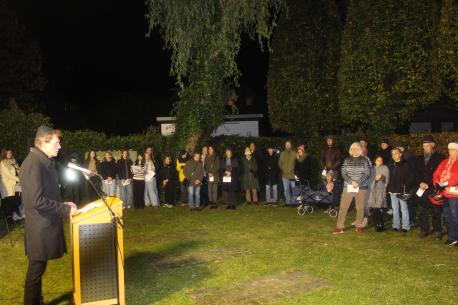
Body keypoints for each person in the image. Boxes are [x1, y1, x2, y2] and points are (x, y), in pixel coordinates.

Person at [19, 126, 78, 305]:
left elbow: (46, 194)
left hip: (43, 225)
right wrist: (65, 210)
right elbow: (36, 200)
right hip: (39, 228)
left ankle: (37, 301)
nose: (59, 146)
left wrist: (63, 204)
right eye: (56, 142)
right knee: (35, 271)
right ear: (44, 143)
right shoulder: (33, 164)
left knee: (38, 270)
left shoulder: (41, 161)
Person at [333, 142, 371, 234]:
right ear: (350, 150)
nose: (355, 150)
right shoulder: (346, 160)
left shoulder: (365, 160)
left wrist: (358, 182)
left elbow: (367, 173)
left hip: (361, 187)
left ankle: (358, 226)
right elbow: (343, 172)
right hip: (348, 186)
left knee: (360, 207)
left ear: (360, 150)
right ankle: (339, 227)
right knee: (343, 207)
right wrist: (351, 182)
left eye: (357, 148)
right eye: (353, 149)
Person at [414, 135, 445, 239]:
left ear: (433, 145)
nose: (426, 147)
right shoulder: (418, 158)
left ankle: (437, 231)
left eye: (428, 145)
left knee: (436, 211)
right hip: (422, 188)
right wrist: (420, 183)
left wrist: (430, 184)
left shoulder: (440, 158)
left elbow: (440, 174)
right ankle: (424, 229)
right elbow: (416, 173)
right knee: (422, 210)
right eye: (424, 145)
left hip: (433, 188)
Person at [432, 141, 458, 246]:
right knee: (447, 216)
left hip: (454, 194)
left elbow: (456, 177)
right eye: (450, 150)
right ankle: (452, 237)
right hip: (444, 193)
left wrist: (446, 183)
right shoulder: (444, 162)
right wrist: (437, 183)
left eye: (453, 150)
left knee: (455, 215)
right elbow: (436, 173)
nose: (451, 151)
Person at [387, 148, 414, 232]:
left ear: (400, 154)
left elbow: (411, 177)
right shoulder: (391, 165)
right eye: (393, 154)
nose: (394, 155)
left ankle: (405, 226)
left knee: (404, 209)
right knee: (395, 209)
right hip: (392, 190)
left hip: (402, 190)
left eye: (396, 153)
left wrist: (405, 186)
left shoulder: (406, 164)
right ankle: (396, 225)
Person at [368, 155, 390, 232]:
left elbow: (387, 179)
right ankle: (376, 223)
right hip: (373, 191)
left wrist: (382, 177)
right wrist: (375, 179)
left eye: (381, 160)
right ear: (375, 161)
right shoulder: (372, 169)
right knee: (373, 208)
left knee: (379, 208)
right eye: (378, 160)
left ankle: (380, 224)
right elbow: (369, 180)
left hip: (381, 190)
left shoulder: (385, 168)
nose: (380, 162)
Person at [0, 149, 23, 220]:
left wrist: (21, 176)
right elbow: (8, 174)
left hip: (16, 183)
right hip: (8, 184)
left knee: (17, 199)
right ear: (4, 154)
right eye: (8, 153)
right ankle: (9, 218)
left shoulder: (13, 160)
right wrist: (19, 179)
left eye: (10, 153)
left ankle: (15, 215)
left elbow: (18, 170)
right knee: (9, 201)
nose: (10, 154)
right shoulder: (2, 162)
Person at [279, 140, 296, 206]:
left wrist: (293, 169)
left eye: (289, 144)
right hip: (285, 175)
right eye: (286, 144)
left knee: (294, 189)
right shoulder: (282, 153)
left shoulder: (294, 153)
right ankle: (288, 202)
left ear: (291, 145)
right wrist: (283, 169)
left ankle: (294, 202)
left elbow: (297, 162)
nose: (288, 146)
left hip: (292, 175)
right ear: (285, 146)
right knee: (286, 190)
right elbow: (279, 163)